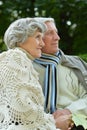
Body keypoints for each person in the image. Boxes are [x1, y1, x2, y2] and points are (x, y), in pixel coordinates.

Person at [0, 18, 60, 130]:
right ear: (20, 39)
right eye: (38, 37)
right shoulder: (15, 58)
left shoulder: (21, 61)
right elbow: (23, 109)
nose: (42, 44)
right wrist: (54, 122)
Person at [33, 17, 87, 130]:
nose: (57, 38)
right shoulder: (23, 67)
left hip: (77, 123)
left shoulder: (76, 64)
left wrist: (69, 112)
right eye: (49, 33)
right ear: (36, 38)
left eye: (56, 32)